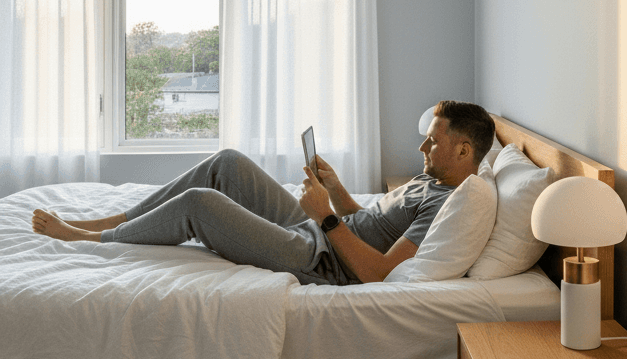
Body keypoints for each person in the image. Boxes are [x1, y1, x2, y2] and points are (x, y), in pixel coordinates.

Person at [30, 100, 496, 284]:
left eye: (432, 141)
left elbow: (378, 272)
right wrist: (335, 193)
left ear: (463, 150)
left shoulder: (448, 202)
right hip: (320, 231)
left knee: (200, 205)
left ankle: (95, 240)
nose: (422, 145)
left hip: (318, 258)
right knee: (227, 162)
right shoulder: (432, 177)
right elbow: (371, 222)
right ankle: (119, 219)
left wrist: (326, 219)